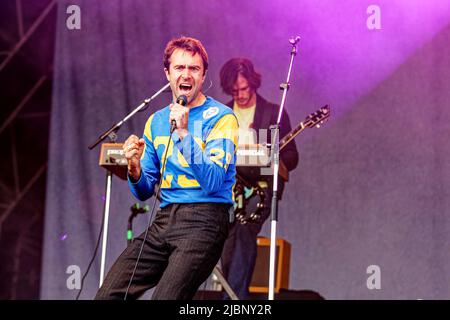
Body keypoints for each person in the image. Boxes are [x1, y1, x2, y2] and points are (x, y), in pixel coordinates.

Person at [95, 36, 238, 300]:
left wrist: (184, 134)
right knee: (108, 295)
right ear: (167, 73)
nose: (186, 74)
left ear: (204, 73)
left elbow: (215, 180)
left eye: (194, 68)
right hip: (165, 218)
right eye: (179, 68)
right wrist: (134, 168)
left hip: (205, 219)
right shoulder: (156, 121)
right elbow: (143, 190)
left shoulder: (222, 118)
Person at [219, 58, 299, 299]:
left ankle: (234, 302)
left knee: (245, 229)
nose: (241, 95)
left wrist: (272, 156)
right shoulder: (222, 115)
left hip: (260, 189)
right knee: (225, 242)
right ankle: (232, 297)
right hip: (230, 189)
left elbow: (292, 157)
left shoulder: (273, 113)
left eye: (245, 89)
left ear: (253, 84)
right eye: (235, 91)